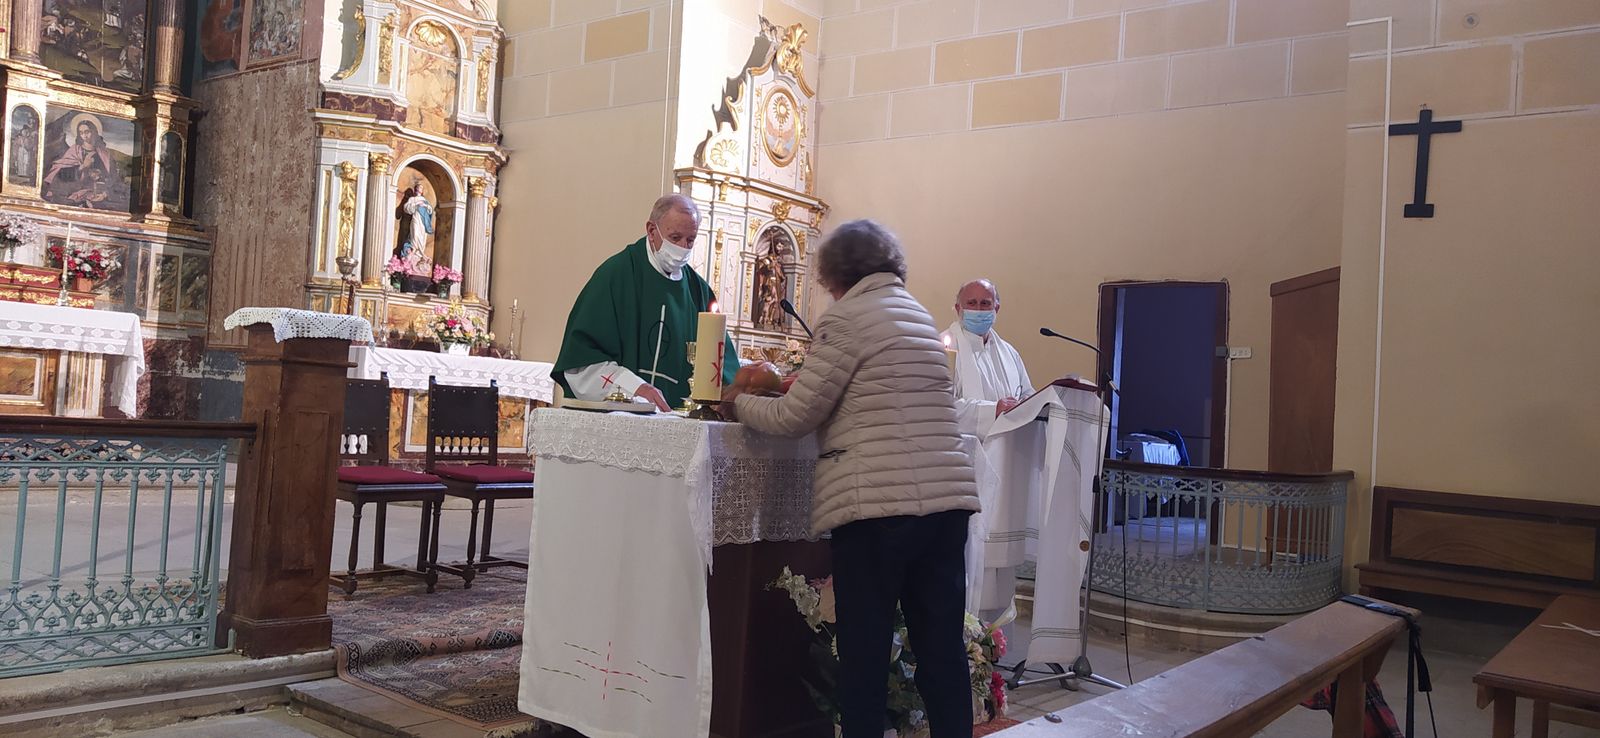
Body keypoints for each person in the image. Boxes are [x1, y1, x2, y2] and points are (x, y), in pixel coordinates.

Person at [721, 220, 980, 738]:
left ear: (835, 274)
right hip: (946, 507)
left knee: (864, 655)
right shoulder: (918, 317)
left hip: (878, 512)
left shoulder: (846, 320)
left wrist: (737, 402)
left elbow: (794, 417)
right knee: (942, 653)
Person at [552, 194, 739, 410]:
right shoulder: (616, 276)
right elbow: (582, 362)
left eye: (690, 240)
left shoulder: (699, 291)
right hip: (620, 424)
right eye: (675, 237)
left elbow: (722, 368)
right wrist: (634, 387)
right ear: (652, 231)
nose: (683, 248)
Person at [942, 279, 1033, 436]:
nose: (978, 309)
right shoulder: (943, 348)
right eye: (971, 303)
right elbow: (940, 407)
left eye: (985, 303)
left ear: (996, 308)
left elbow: (1027, 394)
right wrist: (992, 411)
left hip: (1008, 448)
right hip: (964, 452)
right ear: (959, 309)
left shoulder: (1010, 353)